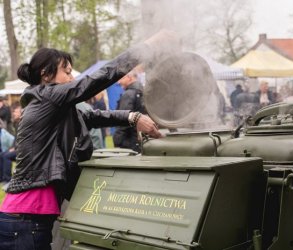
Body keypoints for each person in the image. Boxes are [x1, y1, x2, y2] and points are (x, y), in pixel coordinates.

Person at [0, 30, 178, 250]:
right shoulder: (47, 97)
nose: (72, 79)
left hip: (28, 220)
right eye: (67, 72)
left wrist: (133, 117)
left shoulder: (52, 106)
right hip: (25, 220)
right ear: (46, 75)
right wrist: (147, 47)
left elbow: (91, 116)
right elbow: (100, 77)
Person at [113, 69, 146, 153]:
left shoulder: (128, 94)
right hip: (143, 141)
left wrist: (117, 141)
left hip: (129, 144)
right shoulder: (144, 92)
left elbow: (123, 119)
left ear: (129, 77)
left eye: (121, 79)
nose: (119, 82)